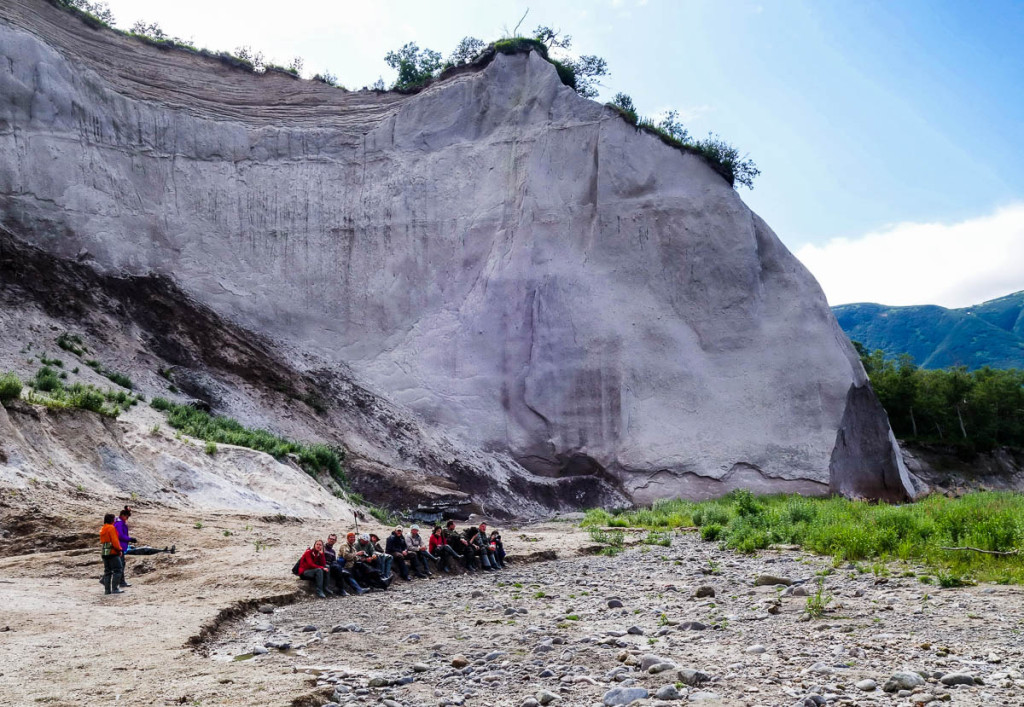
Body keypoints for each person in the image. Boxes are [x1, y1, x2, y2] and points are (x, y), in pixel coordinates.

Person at [99, 513, 124, 595]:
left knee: (107, 571)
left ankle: (107, 590)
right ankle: (115, 588)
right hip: (112, 551)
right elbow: (115, 541)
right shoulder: (111, 528)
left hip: (104, 550)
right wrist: (119, 550)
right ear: (112, 520)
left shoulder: (103, 528)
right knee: (118, 569)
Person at [113, 506, 136, 588]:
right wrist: (129, 539)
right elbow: (120, 535)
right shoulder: (119, 523)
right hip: (119, 546)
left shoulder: (119, 522)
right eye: (126, 516)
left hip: (120, 546)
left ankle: (109, 580)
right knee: (120, 565)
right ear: (122, 515)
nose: (127, 518)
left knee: (118, 564)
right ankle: (121, 582)